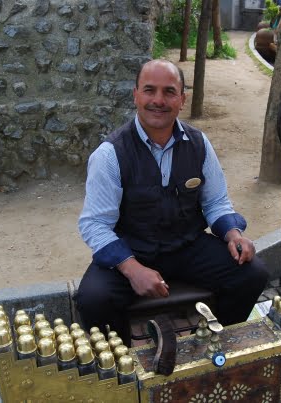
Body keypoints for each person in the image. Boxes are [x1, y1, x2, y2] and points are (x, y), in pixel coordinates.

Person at [75, 60, 269, 345]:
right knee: (93, 299)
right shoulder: (110, 154)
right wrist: (133, 269)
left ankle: (211, 343)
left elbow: (216, 202)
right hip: (132, 250)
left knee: (253, 274)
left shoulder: (199, 143)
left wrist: (233, 234)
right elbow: (95, 224)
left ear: (182, 99)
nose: (158, 100)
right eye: (149, 90)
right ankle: (125, 367)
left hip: (187, 246)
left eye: (168, 92)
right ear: (135, 95)